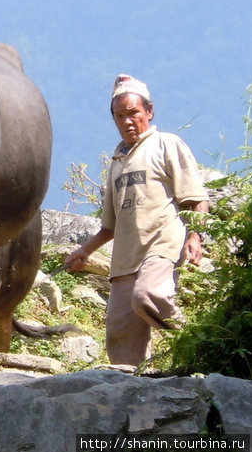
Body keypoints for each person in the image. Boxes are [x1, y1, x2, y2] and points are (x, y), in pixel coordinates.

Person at [64, 74, 209, 366]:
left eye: (133, 113)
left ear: (149, 111)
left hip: (161, 246)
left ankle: (203, 342)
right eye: (120, 116)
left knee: (149, 295)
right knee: (120, 343)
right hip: (125, 260)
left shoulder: (166, 144)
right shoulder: (117, 163)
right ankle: (138, 395)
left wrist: (195, 236)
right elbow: (110, 225)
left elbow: (196, 199)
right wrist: (85, 251)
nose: (127, 121)